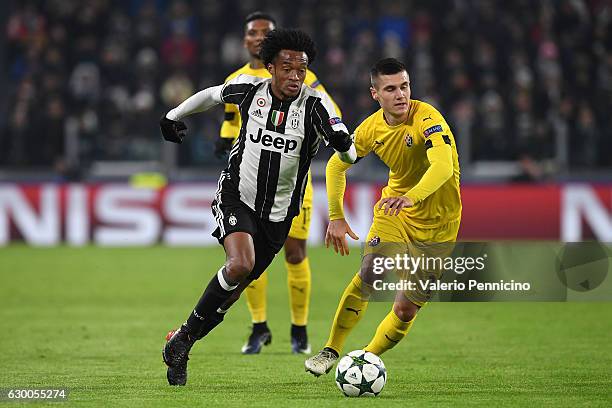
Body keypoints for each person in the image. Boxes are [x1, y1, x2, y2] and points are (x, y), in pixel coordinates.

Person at [159, 28, 356, 386]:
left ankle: (182, 340)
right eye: (287, 68)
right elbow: (212, 96)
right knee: (240, 264)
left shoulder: (315, 106)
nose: (295, 76)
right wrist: (173, 116)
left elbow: (347, 149)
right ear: (270, 68)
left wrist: (343, 144)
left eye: (302, 69)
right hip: (237, 194)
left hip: (279, 215)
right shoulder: (250, 91)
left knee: (232, 292)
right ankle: (185, 340)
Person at [304, 58, 462, 376]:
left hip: (439, 224)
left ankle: (364, 357)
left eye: (404, 86)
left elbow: (443, 168)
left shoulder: (428, 119)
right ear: (375, 94)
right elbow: (337, 164)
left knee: (405, 309)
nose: (400, 95)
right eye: (390, 89)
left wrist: (412, 197)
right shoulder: (370, 129)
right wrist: (336, 216)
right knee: (371, 272)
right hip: (395, 211)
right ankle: (330, 350)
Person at [215, 12, 342, 355]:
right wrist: (224, 141)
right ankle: (259, 327)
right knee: (250, 255)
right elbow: (230, 120)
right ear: (245, 41)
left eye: (264, 32)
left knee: (295, 252)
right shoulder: (237, 79)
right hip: (251, 181)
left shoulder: (304, 76)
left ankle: (299, 330)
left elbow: (331, 113)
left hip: (293, 184)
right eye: (252, 33)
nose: (258, 38)